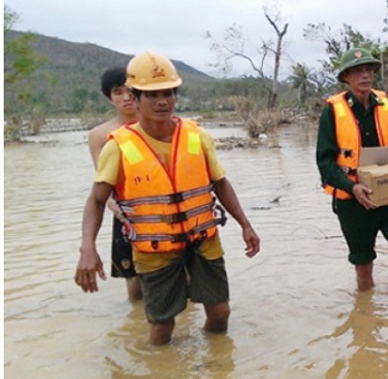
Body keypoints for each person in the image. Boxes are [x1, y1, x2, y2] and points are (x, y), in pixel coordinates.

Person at [74, 51, 260, 345]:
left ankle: (216, 365)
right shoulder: (118, 147)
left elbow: (220, 183)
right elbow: (97, 200)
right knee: (162, 327)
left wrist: (245, 224)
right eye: (152, 95)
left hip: (203, 240)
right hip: (155, 248)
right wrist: (88, 248)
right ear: (135, 98)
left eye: (168, 93)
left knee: (220, 313)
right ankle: (159, 371)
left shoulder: (197, 136)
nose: (162, 101)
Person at [316, 47, 388, 292]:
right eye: (357, 71)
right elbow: (325, 164)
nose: (365, 75)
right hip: (352, 203)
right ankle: (367, 312)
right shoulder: (332, 112)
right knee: (363, 267)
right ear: (346, 77)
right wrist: (352, 187)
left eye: (369, 70)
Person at [87, 67, 142, 301]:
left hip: (162, 206)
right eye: (118, 92)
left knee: (181, 276)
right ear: (109, 98)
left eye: (130, 91)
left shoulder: (158, 125)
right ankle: (138, 320)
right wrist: (113, 206)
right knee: (135, 284)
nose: (126, 97)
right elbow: (102, 180)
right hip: (124, 210)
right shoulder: (100, 135)